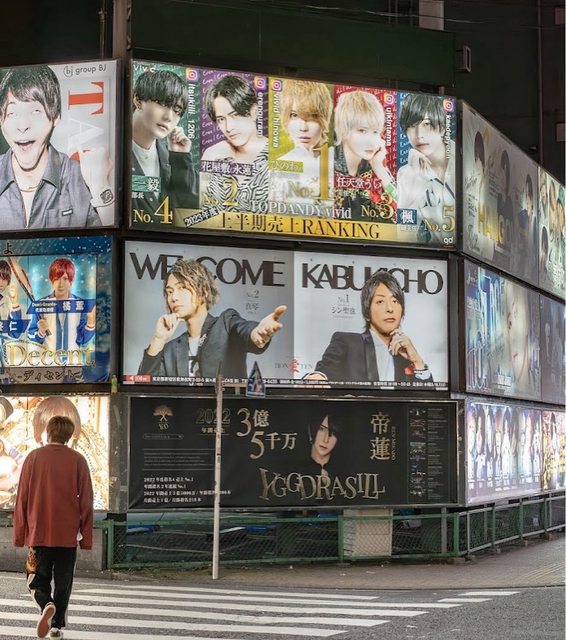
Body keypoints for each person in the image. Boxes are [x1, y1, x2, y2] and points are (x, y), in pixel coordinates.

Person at [0, 65, 113, 230]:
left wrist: (100, 185)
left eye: (35, 111)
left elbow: (111, 242)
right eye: (12, 113)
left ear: (55, 116)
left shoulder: (80, 177)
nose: (22, 125)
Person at [138, 258, 287, 380]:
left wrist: (257, 333)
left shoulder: (226, 323)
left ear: (203, 290)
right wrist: (158, 339)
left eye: (182, 288)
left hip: (226, 408)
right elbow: (143, 386)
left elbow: (244, 329)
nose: (173, 297)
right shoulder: (170, 349)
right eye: (169, 292)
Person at [13, 415, 94, 639]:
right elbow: (86, 500)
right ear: (69, 435)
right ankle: (56, 627)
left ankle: (45, 603)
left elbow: (22, 498)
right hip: (68, 535)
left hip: (38, 533)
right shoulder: (78, 460)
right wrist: (86, 538)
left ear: (48, 432)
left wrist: (19, 534)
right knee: (63, 582)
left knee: (35, 578)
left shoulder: (33, 458)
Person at [304, 271, 431, 384]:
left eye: (395, 301)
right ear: (367, 312)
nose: (390, 308)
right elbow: (326, 369)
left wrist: (418, 361)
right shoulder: (347, 342)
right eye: (380, 301)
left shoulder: (405, 355)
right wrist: (318, 377)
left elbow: (427, 399)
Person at [131, 69, 198, 218]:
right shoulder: (113, 146)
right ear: (138, 100)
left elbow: (186, 215)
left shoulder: (168, 157)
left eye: (177, 110)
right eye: (162, 104)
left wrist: (180, 159)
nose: (169, 117)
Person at [200, 74, 269, 212]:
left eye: (235, 115)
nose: (229, 127)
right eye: (221, 119)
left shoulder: (279, 155)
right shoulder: (214, 155)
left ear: (254, 112)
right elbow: (198, 213)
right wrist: (210, 158)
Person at [397, 93, 455, 244]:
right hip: (439, 254)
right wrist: (413, 178)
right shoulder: (406, 174)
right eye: (411, 126)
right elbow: (403, 238)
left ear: (442, 128)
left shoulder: (466, 160)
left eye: (427, 124)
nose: (419, 135)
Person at [269, 79, 333, 211]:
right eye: (294, 115)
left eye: (312, 117)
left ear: (324, 119)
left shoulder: (337, 161)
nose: (303, 128)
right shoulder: (278, 168)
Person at [333, 90, 397, 221]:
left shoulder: (374, 165)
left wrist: (380, 170)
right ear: (344, 129)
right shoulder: (326, 163)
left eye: (375, 132)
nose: (371, 141)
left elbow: (403, 211)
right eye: (362, 130)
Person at [27, 257, 96, 356]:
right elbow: (30, 334)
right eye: (57, 278)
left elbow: (83, 339)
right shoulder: (41, 304)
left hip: (73, 361)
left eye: (65, 279)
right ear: (51, 280)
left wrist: (90, 323)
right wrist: (41, 332)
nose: (60, 284)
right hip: (48, 361)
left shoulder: (80, 304)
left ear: (71, 281)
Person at [305, 412, 342, 477]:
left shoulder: (343, 473)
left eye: (333, 433)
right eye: (321, 429)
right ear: (311, 430)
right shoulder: (294, 470)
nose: (326, 440)